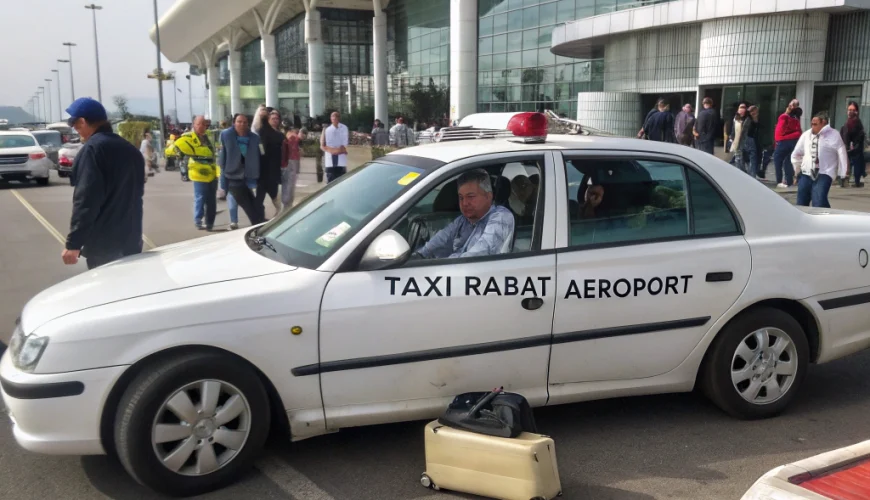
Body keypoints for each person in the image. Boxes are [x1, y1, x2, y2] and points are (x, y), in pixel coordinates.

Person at [62, 97, 145, 269]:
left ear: (83, 121)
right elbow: (137, 196)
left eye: (74, 124)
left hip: (104, 244)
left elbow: (86, 200)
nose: (75, 129)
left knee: (108, 292)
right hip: (132, 239)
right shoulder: (131, 150)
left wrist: (73, 244)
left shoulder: (93, 150)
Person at [413, 169, 515, 259]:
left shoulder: (501, 217)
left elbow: (479, 254)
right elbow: (439, 240)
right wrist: (418, 256)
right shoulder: (463, 220)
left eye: (470, 197)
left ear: (488, 196)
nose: (464, 203)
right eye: (461, 197)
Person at [791, 112, 848, 208]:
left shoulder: (834, 135)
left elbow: (842, 154)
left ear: (823, 123)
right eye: (811, 124)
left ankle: (824, 218)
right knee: (801, 203)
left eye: (815, 124)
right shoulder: (806, 135)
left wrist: (842, 173)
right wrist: (797, 170)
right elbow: (796, 153)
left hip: (825, 172)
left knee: (818, 199)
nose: (812, 127)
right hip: (806, 172)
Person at [219, 114, 265, 226]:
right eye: (239, 122)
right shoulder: (226, 135)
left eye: (244, 122)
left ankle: (260, 224)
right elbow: (222, 159)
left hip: (250, 176)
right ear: (234, 123)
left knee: (257, 205)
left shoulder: (255, 138)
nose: (242, 124)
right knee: (246, 205)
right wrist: (223, 184)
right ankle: (254, 224)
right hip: (233, 176)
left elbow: (261, 155)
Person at [174, 116, 219, 230]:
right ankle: (198, 220)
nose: (202, 126)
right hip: (199, 174)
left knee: (211, 200)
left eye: (204, 124)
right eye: (199, 124)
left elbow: (215, 151)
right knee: (201, 197)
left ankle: (210, 223)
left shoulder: (209, 136)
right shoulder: (188, 137)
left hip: (212, 173)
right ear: (194, 124)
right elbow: (175, 147)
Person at [256, 110, 284, 215]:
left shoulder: (279, 135)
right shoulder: (261, 132)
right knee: (262, 197)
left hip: (271, 170)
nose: (275, 121)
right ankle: (260, 218)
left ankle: (278, 214)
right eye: (273, 118)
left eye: (277, 119)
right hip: (265, 170)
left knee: (272, 195)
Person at [774, 99, 803, 188]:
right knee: (788, 161)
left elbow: (780, 130)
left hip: (783, 141)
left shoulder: (784, 117)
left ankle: (779, 181)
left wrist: (778, 140)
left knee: (778, 160)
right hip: (793, 141)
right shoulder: (796, 118)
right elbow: (799, 130)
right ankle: (788, 180)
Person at [840, 101, 866, 188]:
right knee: (847, 164)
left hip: (855, 147)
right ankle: (845, 180)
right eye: (849, 109)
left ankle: (857, 181)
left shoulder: (857, 122)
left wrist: (854, 144)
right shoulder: (848, 121)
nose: (850, 111)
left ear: (856, 111)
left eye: (853, 110)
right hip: (847, 146)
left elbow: (859, 135)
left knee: (856, 163)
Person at [321, 111, 349, 183]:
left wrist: (331, 149)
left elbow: (343, 145)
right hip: (330, 162)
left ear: (339, 118)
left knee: (341, 183)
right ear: (330, 118)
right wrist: (337, 150)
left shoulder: (344, 128)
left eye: (336, 116)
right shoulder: (327, 130)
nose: (334, 118)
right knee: (330, 184)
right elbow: (323, 145)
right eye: (333, 116)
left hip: (341, 163)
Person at [726, 103, 753, 175]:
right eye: (740, 108)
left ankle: (744, 172)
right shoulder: (736, 118)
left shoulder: (748, 119)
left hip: (745, 141)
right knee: (738, 157)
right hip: (736, 141)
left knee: (744, 158)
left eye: (743, 107)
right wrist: (731, 137)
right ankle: (741, 172)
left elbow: (746, 130)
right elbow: (733, 129)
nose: (742, 109)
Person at [281, 128, 301, 212]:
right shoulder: (293, 137)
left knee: (287, 184)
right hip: (291, 161)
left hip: (289, 161)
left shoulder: (287, 136)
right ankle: (287, 206)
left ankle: (286, 206)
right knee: (289, 184)